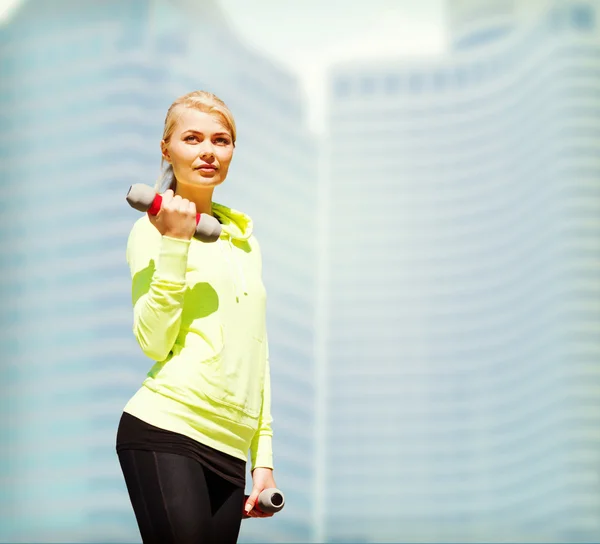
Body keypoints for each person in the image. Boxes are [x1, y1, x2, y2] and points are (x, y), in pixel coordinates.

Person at [116, 90, 277, 544]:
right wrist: (175, 242)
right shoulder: (151, 230)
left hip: (230, 450)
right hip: (168, 428)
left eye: (221, 140)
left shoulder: (243, 242)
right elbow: (152, 341)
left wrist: (261, 459)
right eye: (192, 138)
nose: (208, 150)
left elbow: (256, 352)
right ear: (166, 149)